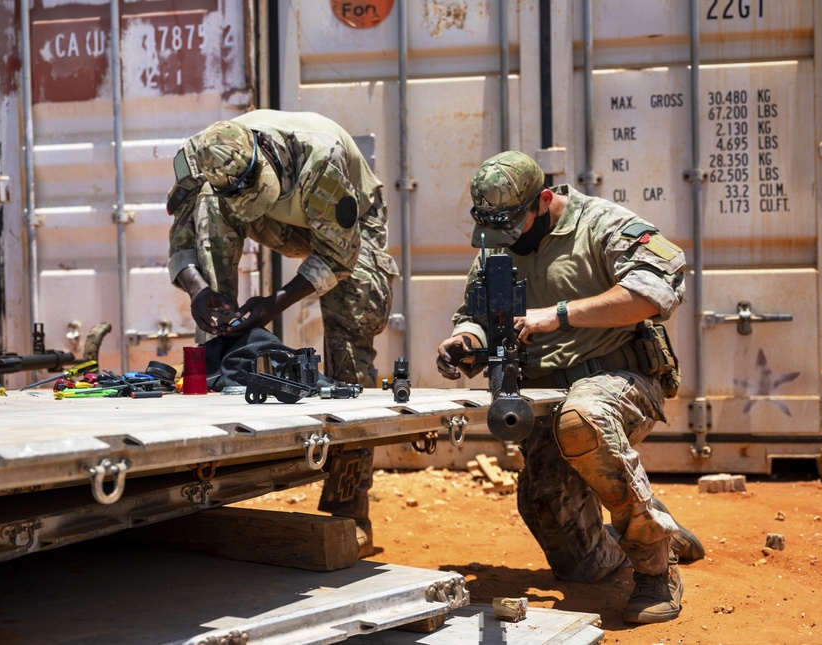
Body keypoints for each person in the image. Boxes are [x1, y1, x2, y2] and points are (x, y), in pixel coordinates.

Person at [436, 151, 704, 624]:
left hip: (618, 380)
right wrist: (465, 341)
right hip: (542, 398)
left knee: (583, 418)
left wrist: (558, 315)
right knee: (572, 554)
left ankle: (656, 569)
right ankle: (649, 520)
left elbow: (655, 290)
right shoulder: (498, 243)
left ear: (542, 201)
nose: (503, 240)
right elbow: (477, 317)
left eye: (512, 226)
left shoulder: (601, 224)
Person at [165, 110, 400, 557]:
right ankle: (208, 483)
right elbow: (181, 243)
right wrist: (199, 291)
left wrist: (276, 303)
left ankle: (350, 510)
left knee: (349, 343)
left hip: (348, 226)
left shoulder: (320, 158)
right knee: (210, 209)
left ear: (264, 155)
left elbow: (338, 254)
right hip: (275, 212)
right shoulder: (200, 161)